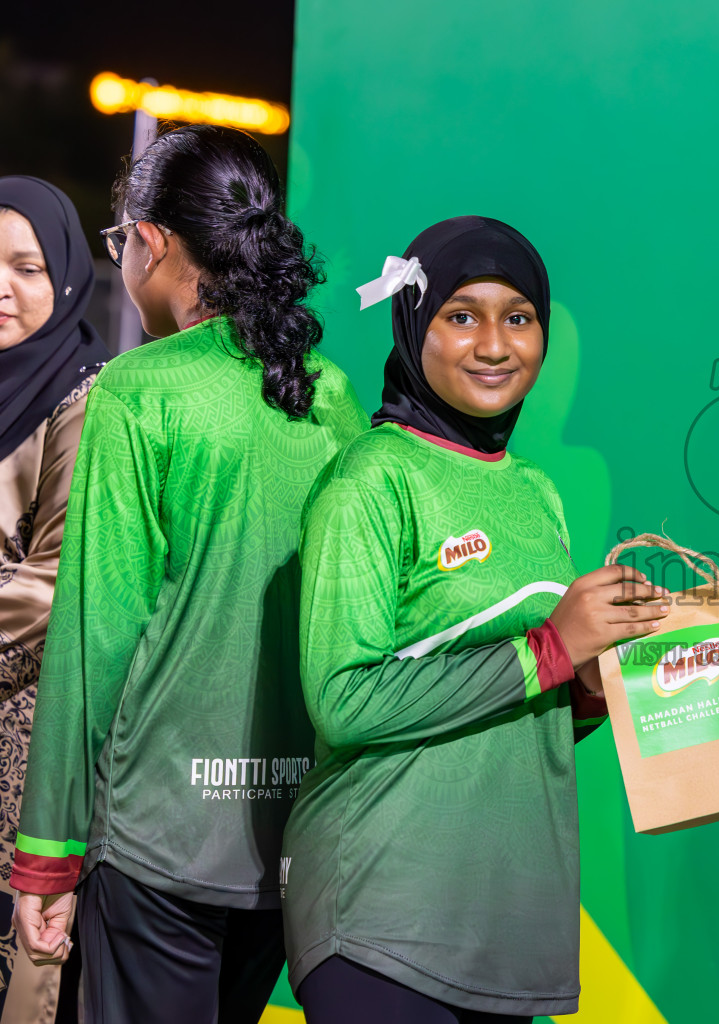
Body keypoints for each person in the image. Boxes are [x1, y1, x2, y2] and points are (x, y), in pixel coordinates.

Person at [11, 125, 368, 1024]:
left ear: (155, 242)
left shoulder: (138, 392)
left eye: (120, 240)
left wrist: (47, 858)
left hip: (159, 843)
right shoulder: (328, 392)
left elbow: (95, 637)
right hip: (291, 843)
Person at [282, 216, 670, 1023]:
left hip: (501, 925)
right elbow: (343, 701)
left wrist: (598, 679)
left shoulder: (536, 491)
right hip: (383, 915)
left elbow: (514, 712)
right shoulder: (372, 477)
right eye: (462, 315)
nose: (494, 344)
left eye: (518, 317)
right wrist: (552, 647)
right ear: (414, 324)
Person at [0, 176, 108, 1023]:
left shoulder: (85, 400)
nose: (3, 288)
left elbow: (53, 576)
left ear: (68, 276)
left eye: (28, 266)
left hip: (25, 728)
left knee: (18, 967)